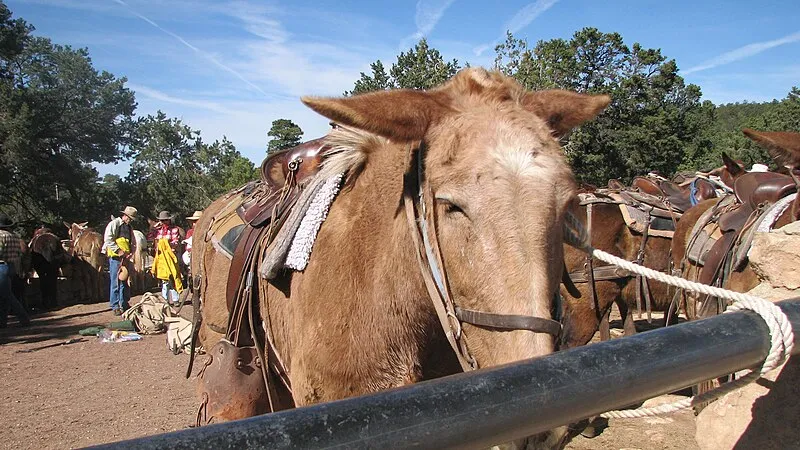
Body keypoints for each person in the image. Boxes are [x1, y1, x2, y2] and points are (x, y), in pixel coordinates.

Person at [103, 206, 137, 315]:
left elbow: (132, 242)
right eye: (129, 218)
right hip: (115, 258)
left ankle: (124, 303)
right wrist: (118, 250)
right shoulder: (114, 224)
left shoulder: (129, 227)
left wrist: (131, 252)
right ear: (125, 215)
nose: (130, 220)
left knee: (124, 281)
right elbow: (108, 239)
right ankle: (115, 305)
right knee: (115, 282)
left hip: (125, 258)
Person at [0, 213, 31, 328]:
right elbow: (19, 253)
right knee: (4, 296)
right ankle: (2, 322)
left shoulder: (0, 236)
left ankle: (24, 318)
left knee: (7, 295)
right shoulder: (14, 237)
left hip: (1, 266)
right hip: (11, 266)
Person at [154, 211, 182, 305]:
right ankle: (165, 299)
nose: (163, 222)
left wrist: (167, 245)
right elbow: (150, 238)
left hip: (171, 256)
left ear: (169, 220)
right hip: (162, 258)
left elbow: (175, 242)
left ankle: (175, 299)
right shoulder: (158, 230)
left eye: (165, 220)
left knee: (173, 276)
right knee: (164, 279)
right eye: (162, 220)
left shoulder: (174, 229)